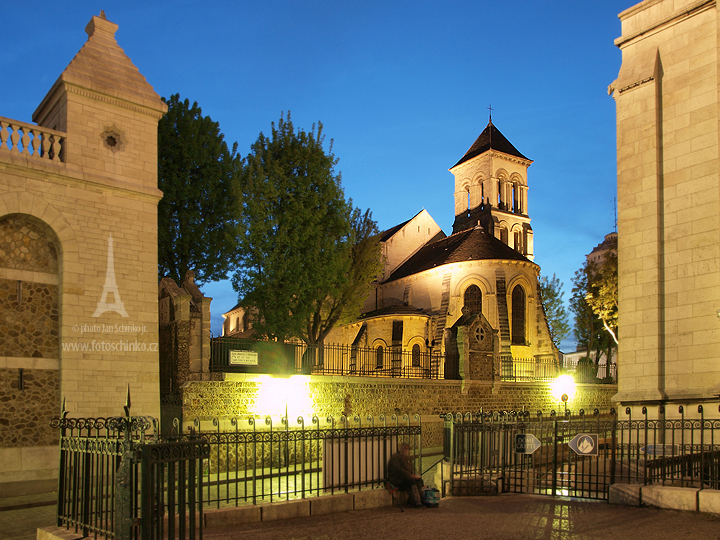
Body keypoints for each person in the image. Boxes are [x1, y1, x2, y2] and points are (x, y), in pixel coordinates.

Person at [387, 441, 424, 508]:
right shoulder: (395, 458)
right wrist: (410, 476)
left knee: (419, 481)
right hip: (396, 479)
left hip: (404, 478)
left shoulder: (406, 458)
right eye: (403, 447)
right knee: (411, 482)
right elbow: (399, 471)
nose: (404, 449)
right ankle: (417, 503)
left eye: (406, 448)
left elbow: (411, 469)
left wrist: (415, 475)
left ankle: (418, 500)